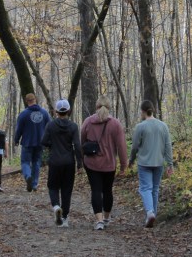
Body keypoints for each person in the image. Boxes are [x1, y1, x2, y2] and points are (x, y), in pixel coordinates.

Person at [80, 96, 128, 230]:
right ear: (109, 107)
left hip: (91, 163)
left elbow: (82, 141)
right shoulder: (116, 124)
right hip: (109, 164)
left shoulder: (88, 122)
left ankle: (99, 221)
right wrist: (123, 166)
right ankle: (106, 218)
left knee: (95, 190)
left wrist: (81, 159)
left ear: (96, 107)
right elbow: (121, 146)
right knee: (107, 191)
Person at [129, 99, 173, 228]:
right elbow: (168, 146)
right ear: (152, 110)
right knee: (155, 189)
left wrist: (131, 160)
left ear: (142, 111)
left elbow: (134, 146)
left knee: (145, 188)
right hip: (159, 162)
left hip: (144, 163)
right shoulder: (163, 126)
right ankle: (153, 214)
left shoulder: (140, 126)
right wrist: (170, 164)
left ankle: (150, 213)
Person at [41, 98, 83, 228]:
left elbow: (43, 141)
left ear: (56, 112)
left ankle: (56, 207)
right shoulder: (73, 126)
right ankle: (64, 218)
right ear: (69, 111)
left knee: (53, 187)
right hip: (69, 162)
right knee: (67, 189)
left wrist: (52, 145)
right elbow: (77, 145)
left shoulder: (50, 125)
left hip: (54, 161)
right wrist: (80, 164)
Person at [14, 93, 51, 192]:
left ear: (27, 101)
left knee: (25, 162)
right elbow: (50, 127)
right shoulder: (44, 113)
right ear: (35, 100)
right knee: (36, 162)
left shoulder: (23, 114)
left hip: (27, 142)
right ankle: (34, 184)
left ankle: (28, 176)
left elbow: (18, 129)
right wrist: (48, 140)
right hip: (40, 143)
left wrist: (16, 140)